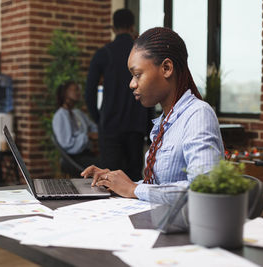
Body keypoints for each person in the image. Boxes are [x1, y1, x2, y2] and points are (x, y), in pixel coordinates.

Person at [81, 27, 224, 204]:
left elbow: (206, 190)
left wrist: (133, 189)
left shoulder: (197, 115)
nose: (132, 84)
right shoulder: (165, 121)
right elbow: (161, 186)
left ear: (166, 68)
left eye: (137, 74)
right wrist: (117, 182)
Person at [85, 8, 155, 181]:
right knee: (133, 180)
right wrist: (148, 127)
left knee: (108, 179)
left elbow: (89, 91)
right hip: (136, 127)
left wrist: (99, 118)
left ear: (113, 28)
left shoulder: (104, 53)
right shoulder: (143, 54)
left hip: (110, 126)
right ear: (132, 27)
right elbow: (152, 88)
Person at [52, 81, 99, 168]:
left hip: (86, 154)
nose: (78, 93)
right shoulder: (60, 116)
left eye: (79, 90)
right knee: (106, 165)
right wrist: (87, 136)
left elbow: (93, 127)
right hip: (73, 158)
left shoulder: (77, 113)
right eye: (75, 90)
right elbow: (66, 144)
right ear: (65, 93)